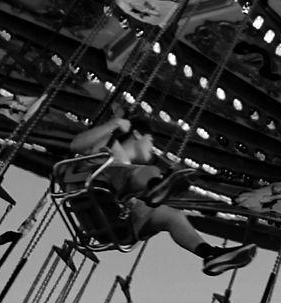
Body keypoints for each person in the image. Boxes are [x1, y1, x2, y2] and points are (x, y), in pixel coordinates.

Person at [62, 104, 255, 274]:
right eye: (151, 141)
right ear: (137, 134)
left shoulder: (128, 168)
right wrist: (115, 123)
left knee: (172, 216)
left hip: (116, 225)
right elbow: (77, 144)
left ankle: (210, 254)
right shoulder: (109, 148)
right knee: (148, 172)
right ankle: (156, 187)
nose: (152, 148)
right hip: (97, 194)